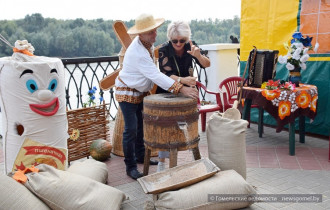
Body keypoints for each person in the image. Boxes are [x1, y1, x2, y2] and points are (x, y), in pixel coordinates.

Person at [114, 14, 199, 180]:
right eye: (151, 32)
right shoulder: (138, 51)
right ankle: (130, 166)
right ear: (141, 34)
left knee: (139, 127)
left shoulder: (147, 45)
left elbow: (155, 73)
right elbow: (156, 75)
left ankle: (139, 156)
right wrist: (182, 89)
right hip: (127, 91)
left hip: (139, 91)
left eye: (155, 31)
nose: (155, 35)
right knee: (130, 129)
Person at [156, 21, 210, 172]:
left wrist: (198, 56)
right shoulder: (164, 49)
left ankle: (195, 157)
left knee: (190, 123)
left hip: (188, 91)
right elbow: (165, 74)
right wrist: (182, 81)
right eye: (175, 41)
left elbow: (207, 64)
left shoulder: (190, 45)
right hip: (167, 90)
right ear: (170, 39)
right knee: (165, 128)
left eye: (182, 40)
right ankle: (161, 163)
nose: (178, 44)